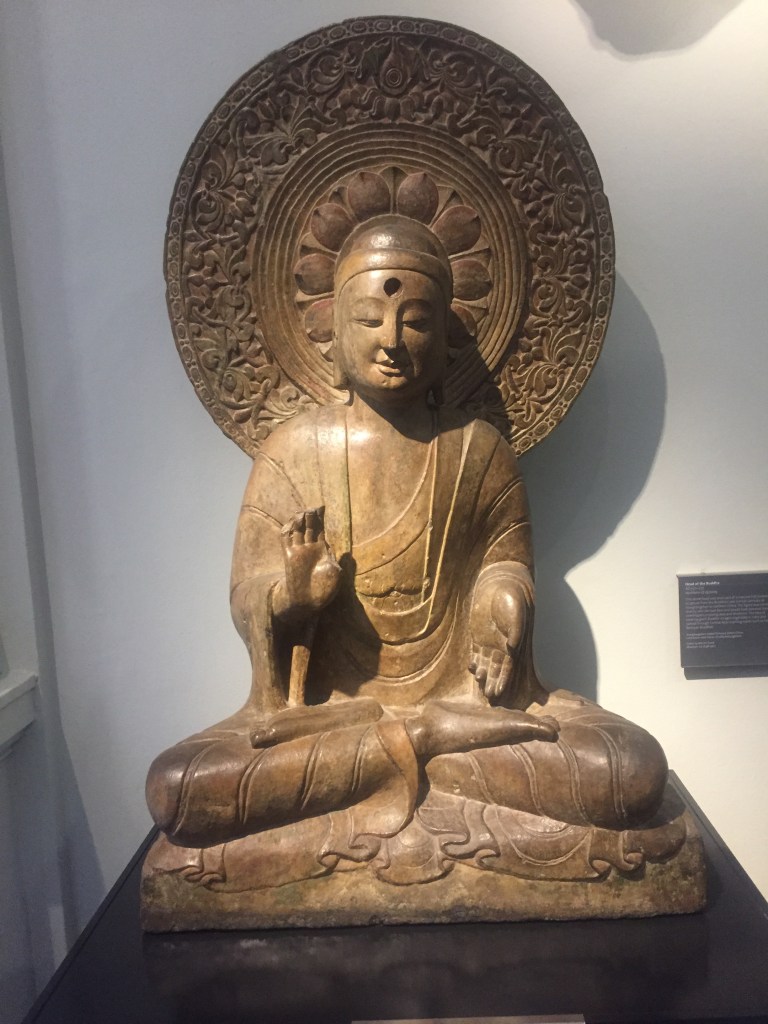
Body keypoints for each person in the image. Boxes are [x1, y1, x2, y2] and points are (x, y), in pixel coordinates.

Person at [146, 216, 671, 884]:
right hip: (334, 722)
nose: (392, 341)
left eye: (415, 322)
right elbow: (248, 592)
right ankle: (420, 749)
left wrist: (501, 605)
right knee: (182, 787)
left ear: (447, 341)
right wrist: (288, 599)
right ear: (331, 333)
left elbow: (504, 565)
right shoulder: (292, 454)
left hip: (464, 709)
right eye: (369, 321)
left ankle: (413, 749)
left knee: (627, 771)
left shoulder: (481, 452)